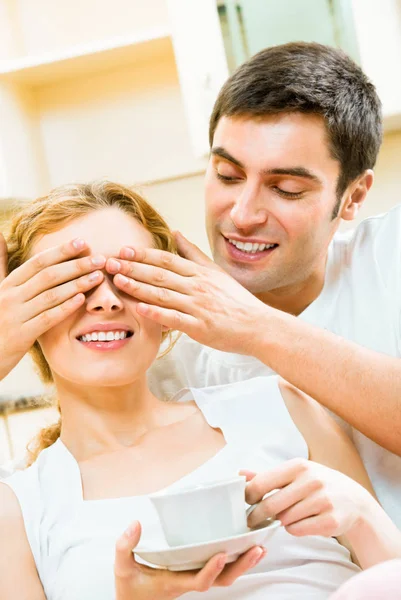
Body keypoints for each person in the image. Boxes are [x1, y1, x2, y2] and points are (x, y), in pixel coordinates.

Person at [1, 181, 400, 600]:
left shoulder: (282, 407)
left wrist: (362, 514)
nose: (105, 301)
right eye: (69, 282)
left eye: (130, 276)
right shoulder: (20, 509)